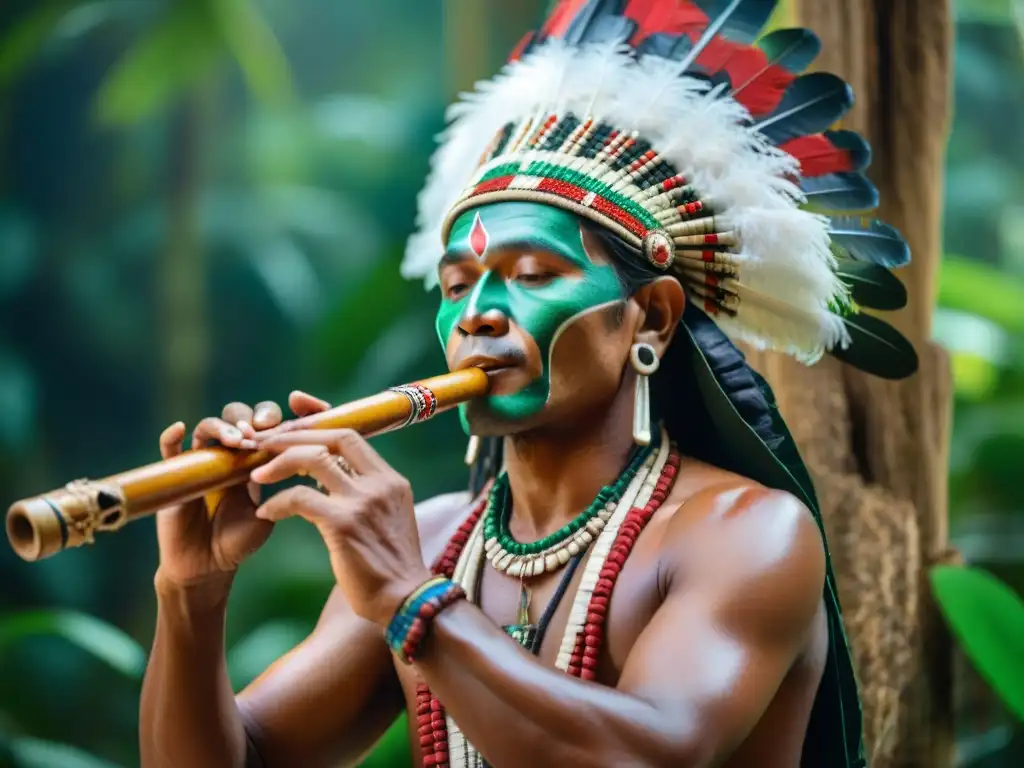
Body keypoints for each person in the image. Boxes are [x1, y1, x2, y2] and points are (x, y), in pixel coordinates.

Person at [138, 2, 919, 767]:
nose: (477, 315)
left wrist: (413, 598)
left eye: (533, 274)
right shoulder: (441, 541)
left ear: (648, 317)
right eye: (456, 284)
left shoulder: (748, 534)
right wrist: (190, 596)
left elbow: (649, 754)